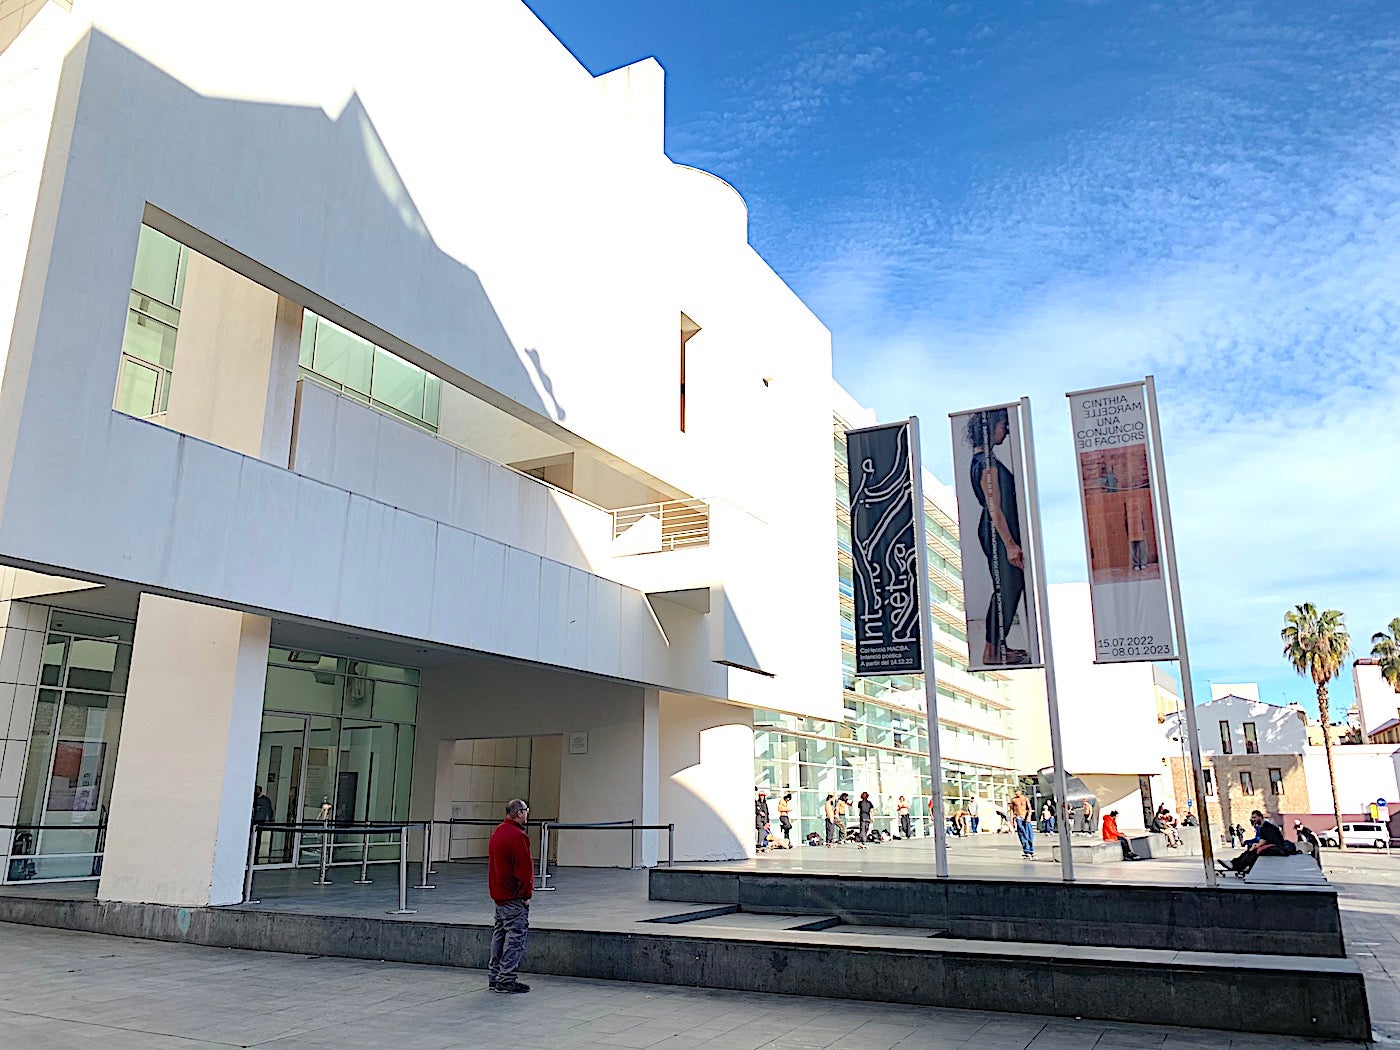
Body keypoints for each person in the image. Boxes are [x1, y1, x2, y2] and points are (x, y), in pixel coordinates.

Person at [965, 408, 1028, 666]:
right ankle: (991, 651)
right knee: (1006, 589)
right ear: (990, 427)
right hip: (997, 533)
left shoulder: (983, 460)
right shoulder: (986, 464)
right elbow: (995, 508)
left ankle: (997, 647)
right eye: (1003, 424)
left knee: (1008, 588)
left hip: (994, 532)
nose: (1006, 430)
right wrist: (1011, 544)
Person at [488, 798, 534, 993]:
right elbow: (523, 869)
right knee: (515, 936)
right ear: (520, 813)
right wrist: (525, 894)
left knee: (500, 933)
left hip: (499, 894)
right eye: (526, 810)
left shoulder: (498, 832)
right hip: (513, 896)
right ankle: (506, 978)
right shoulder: (518, 837)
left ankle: (495, 975)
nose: (527, 813)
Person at [1224, 810, 1291, 875]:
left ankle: (1237, 866)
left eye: (1254, 817)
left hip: (1276, 848)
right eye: (1252, 817)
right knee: (1251, 850)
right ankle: (1234, 863)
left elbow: (1262, 841)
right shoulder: (1264, 826)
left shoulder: (1267, 827)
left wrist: (1253, 847)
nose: (1253, 819)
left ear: (1260, 817)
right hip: (1273, 847)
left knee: (1252, 852)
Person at [1126, 489, 1150, 572]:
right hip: (1132, 532)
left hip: (1140, 531)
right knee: (1134, 549)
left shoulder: (1140, 511)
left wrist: (1143, 529)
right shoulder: (1128, 513)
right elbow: (1126, 523)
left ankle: (1143, 563)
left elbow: (1143, 520)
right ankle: (1136, 564)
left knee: (1143, 548)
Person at [251, 785, 274, 861]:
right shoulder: (252, 799)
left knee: (257, 839)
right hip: (252, 822)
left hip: (259, 822)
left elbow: (269, 810)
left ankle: (256, 853)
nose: (255, 792)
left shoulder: (265, 800)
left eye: (257, 790)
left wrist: (270, 819)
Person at [1008, 788, 1033, 858]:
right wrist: (1012, 820)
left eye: (1017, 791)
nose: (1016, 793)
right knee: (1022, 834)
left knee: (1029, 834)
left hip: (1025, 817)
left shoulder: (1025, 799)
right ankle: (1026, 850)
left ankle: (1031, 850)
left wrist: (1029, 817)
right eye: (1015, 792)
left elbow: (1029, 808)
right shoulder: (1013, 800)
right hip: (1018, 817)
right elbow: (1012, 810)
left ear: (1020, 791)